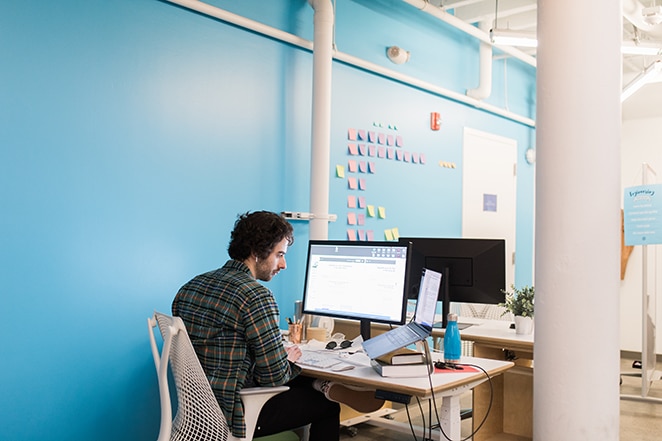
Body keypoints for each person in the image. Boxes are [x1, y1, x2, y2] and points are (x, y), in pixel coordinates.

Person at [172, 211, 383, 441]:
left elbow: (220, 346)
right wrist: (286, 361)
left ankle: (322, 384)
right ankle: (323, 387)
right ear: (256, 253)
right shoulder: (256, 296)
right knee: (324, 406)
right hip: (238, 414)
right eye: (279, 254)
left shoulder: (190, 287)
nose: (283, 264)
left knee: (294, 376)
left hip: (199, 412)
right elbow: (274, 377)